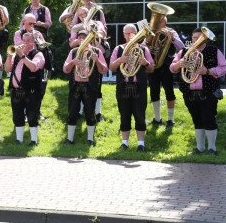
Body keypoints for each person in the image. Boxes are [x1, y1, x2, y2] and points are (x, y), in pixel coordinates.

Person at [170, 28, 226, 155]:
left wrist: (207, 71)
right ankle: (200, 148)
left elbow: (224, 68)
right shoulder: (184, 51)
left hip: (208, 91)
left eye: (198, 37)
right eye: (194, 37)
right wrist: (179, 64)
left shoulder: (214, 51)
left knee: (209, 119)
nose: (195, 40)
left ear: (205, 38)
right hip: (189, 93)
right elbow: (172, 68)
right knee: (197, 120)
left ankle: (212, 148)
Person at [108, 24, 155, 152]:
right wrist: (120, 60)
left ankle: (141, 144)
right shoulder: (118, 49)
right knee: (124, 114)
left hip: (139, 86)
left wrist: (145, 63)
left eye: (132, 33)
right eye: (127, 34)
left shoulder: (144, 50)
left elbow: (152, 68)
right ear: (123, 35)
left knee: (140, 114)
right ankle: (125, 143)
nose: (130, 36)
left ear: (137, 34)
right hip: (123, 87)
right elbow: (111, 67)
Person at [63, 29, 108, 146]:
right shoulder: (73, 52)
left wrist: (97, 60)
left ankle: (90, 140)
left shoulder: (96, 52)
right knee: (72, 112)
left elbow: (104, 70)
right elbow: (65, 70)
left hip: (90, 86)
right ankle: (70, 139)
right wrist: (73, 62)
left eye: (85, 37)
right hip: (75, 86)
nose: (82, 39)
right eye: (80, 37)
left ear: (90, 39)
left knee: (90, 113)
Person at [4, 33, 44, 146]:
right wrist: (9, 56)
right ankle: (19, 140)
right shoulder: (17, 54)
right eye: (23, 40)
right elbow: (7, 69)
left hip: (31, 91)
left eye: (28, 41)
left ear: (33, 42)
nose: (25, 43)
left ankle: (34, 141)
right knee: (17, 116)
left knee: (32, 116)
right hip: (16, 91)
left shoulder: (38, 54)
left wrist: (23, 56)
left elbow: (33, 67)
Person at [69, 7, 108, 122]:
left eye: (84, 13)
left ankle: (98, 112)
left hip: (94, 54)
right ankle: (80, 111)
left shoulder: (97, 23)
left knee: (96, 84)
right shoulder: (76, 27)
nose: (83, 16)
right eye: (80, 15)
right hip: (80, 55)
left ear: (89, 13)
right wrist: (81, 39)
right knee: (79, 82)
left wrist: (91, 32)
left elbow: (102, 34)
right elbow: (72, 44)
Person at [145, 17, 184, 129]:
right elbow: (143, 45)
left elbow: (181, 47)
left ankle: (170, 119)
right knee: (154, 91)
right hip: (153, 64)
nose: (156, 23)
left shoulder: (171, 31)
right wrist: (147, 44)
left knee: (169, 91)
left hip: (167, 64)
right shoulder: (151, 31)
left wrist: (172, 38)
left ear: (165, 22)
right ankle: (157, 118)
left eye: (159, 21)